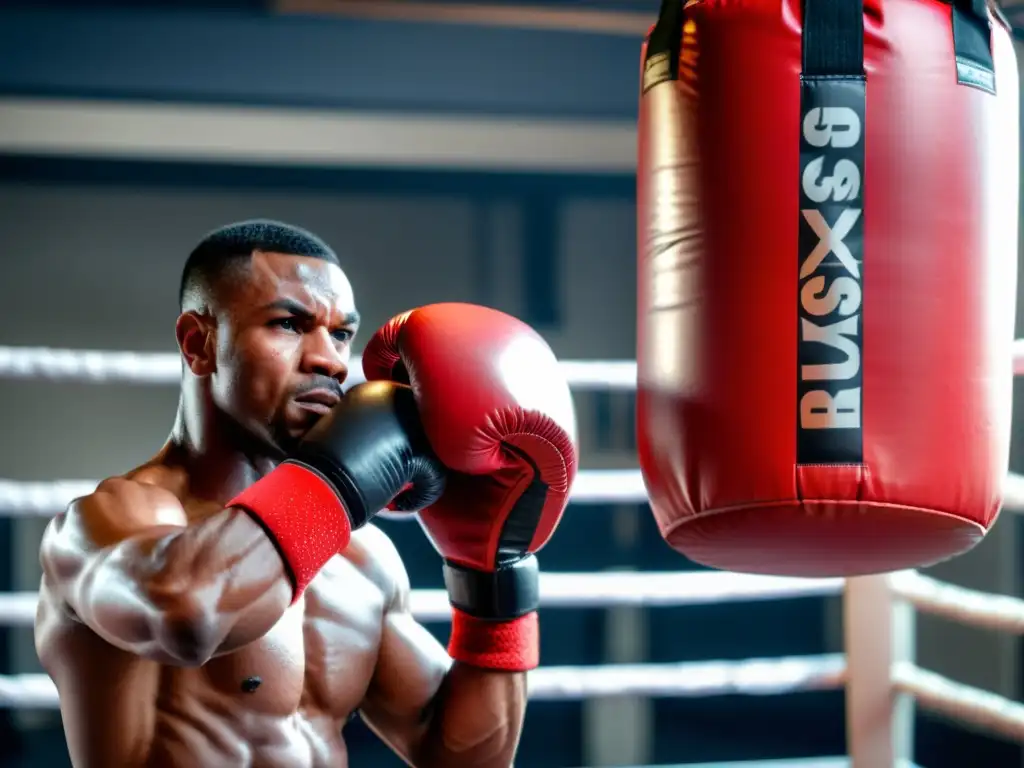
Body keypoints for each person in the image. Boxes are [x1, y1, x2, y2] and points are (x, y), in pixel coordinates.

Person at [34, 219, 578, 768]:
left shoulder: (363, 561)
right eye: (290, 324)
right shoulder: (104, 525)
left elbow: (463, 758)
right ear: (200, 344)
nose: (332, 361)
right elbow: (187, 615)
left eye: (341, 334)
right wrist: (338, 479)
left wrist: (493, 582)